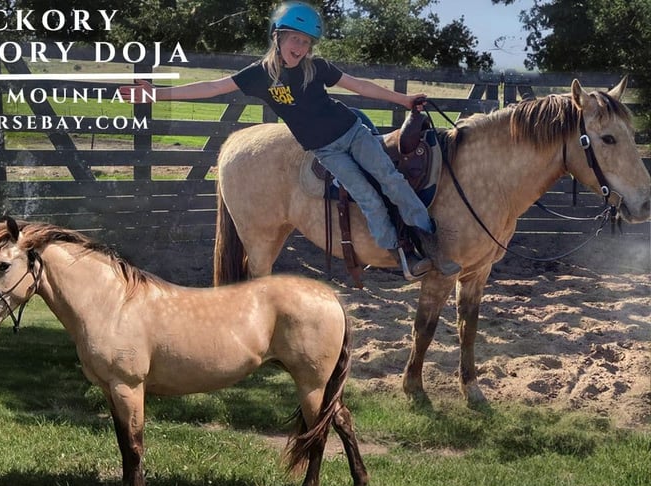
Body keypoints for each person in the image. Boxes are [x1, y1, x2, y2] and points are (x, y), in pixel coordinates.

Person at [120, 1, 460, 280]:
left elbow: (359, 86)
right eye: (294, 39)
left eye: (306, 42)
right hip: (326, 151)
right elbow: (212, 87)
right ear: (278, 37)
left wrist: (403, 100)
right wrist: (156, 94)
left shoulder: (318, 67)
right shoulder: (259, 75)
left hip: (353, 132)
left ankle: (431, 244)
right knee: (366, 196)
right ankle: (399, 253)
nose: (300, 47)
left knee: (390, 179)